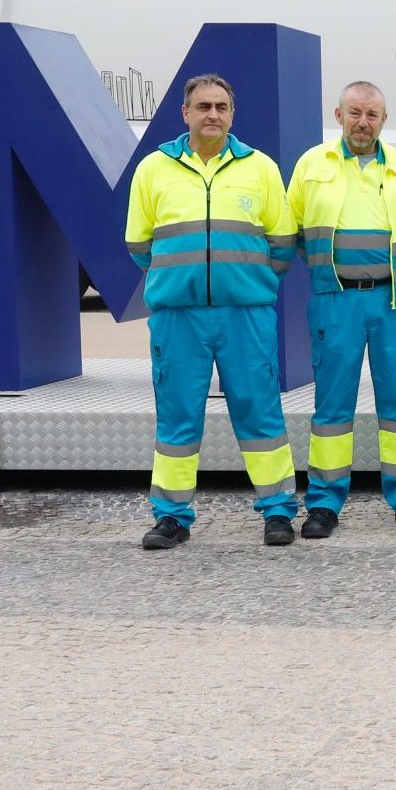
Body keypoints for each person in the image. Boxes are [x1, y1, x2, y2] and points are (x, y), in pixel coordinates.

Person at [126, 73, 301, 549]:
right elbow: (139, 244)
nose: (212, 115)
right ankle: (171, 516)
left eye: (221, 107)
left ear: (232, 114)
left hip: (245, 314)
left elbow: (282, 241)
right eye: (203, 106)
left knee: (259, 410)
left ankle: (279, 511)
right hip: (178, 315)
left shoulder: (260, 168)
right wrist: (181, 280)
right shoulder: (154, 169)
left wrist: (249, 281)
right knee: (177, 416)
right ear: (184, 113)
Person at [286, 82, 396, 538]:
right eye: (355, 112)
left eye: (372, 114)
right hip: (336, 300)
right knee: (332, 407)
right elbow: (291, 230)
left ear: (384, 120)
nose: (363, 122)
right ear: (338, 113)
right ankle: (324, 503)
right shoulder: (313, 164)